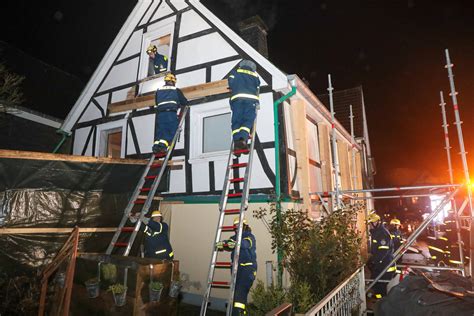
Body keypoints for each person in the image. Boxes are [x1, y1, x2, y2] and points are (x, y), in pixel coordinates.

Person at [216, 217, 257, 315]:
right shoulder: (234, 238)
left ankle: (237, 313)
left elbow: (246, 244)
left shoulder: (249, 236)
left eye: (239, 226)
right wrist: (223, 244)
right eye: (236, 227)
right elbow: (230, 243)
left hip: (247, 269)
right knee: (236, 295)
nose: (237, 228)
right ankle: (241, 313)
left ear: (245, 226)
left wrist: (235, 243)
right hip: (236, 269)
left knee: (239, 294)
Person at [228, 60, 260, 153]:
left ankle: (238, 142)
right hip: (250, 101)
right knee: (248, 119)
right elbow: (258, 85)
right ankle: (243, 140)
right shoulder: (255, 75)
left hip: (237, 100)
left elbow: (230, 81)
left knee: (236, 120)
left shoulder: (235, 71)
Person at [153, 72, 188, 154]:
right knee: (171, 131)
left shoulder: (158, 91)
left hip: (160, 115)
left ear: (166, 81)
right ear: (173, 81)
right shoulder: (176, 90)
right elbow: (184, 101)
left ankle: (156, 147)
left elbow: (157, 103)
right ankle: (163, 147)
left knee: (160, 131)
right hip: (170, 114)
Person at [367, 212, 396, 299]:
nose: (370, 226)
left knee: (381, 285)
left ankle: (380, 301)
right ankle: (378, 299)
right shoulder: (377, 232)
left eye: (371, 223)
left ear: (377, 223)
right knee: (377, 284)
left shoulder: (382, 233)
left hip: (384, 264)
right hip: (381, 263)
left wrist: (374, 261)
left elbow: (383, 251)